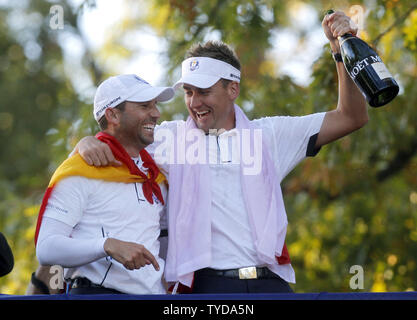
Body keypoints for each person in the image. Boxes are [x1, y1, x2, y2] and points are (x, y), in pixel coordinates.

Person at [74, 11, 368, 293]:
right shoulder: (169, 137)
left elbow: (351, 117)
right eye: (188, 92)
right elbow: (117, 139)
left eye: (204, 92)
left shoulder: (270, 135)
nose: (194, 102)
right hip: (205, 286)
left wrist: (339, 49)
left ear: (233, 89)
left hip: (270, 282)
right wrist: (87, 142)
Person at [35, 74, 174, 294]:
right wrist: (106, 245)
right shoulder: (80, 170)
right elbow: (46, 248)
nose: (156, 113)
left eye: (155, 105)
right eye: (144, 106)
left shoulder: (155, 173)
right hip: (97, 294)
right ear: (113, 115)